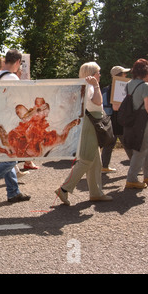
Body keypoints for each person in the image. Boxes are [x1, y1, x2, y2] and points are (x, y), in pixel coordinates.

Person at [55, 62, 113, 205]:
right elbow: (98, 101)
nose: (100, 75)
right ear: (92, 74)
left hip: (90, 124)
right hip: (90, 125)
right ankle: (64, 189)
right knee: (87, 159)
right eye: (98, 72)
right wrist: (97, 85)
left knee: (95, 161)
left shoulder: (85, 86)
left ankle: (96, 193)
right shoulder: (90, 87)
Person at [101, 66, 133, 173]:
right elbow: (116, 107)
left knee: (109, 144)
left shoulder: (107, 88)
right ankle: (135, 166)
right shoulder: (118, 88)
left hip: (109, 119)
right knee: (127, 143)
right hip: (119, 120)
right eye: (124, 74)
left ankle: (104, 166)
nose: (126, 75)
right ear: (119, 76)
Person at [123, 59, 148, 189]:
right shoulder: (145, 86)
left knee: (145, 148)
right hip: (143, 121)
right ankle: (131, 179)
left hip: (132, 120)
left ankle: (147, 175)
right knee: (141, 149)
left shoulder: (128, 84)